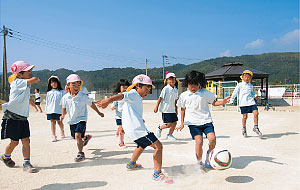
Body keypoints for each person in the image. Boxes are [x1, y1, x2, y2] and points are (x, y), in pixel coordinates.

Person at [97, 74, 173, 184]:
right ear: (137, 86)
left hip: (134, 128)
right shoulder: (133, 93)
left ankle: (131, 163)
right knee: (158, 147)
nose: (147, 92)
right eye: (146, 89)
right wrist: (108, 100)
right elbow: (122, 96)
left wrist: (140, 119)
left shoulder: (137, 97)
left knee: (142, 145)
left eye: (149, 90)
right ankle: (157, 174)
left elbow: (132, 111)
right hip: (136, 129)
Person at [176, 70, 230, 170]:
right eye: (190, 84)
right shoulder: (184, 95)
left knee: (212, 139)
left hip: (206, 121)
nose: (193, 87)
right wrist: (182, 123)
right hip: (193, 123)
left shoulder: (205, 93)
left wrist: (223, 101)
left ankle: (209, 155)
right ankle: (199, 162)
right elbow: (182, 109)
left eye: (195, 85)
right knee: (199, 141)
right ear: (187, 83)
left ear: (199, 84)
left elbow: (214, 102)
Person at [1, 61, 40, 173]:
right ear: (19, 74)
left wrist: (30, 101)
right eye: (28, 71)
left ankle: (26, 163)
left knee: (26, 141)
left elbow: (21, 96)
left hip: (23, 118)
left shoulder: (25, 85)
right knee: (14, 142)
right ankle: (5, 156)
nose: (31, 72)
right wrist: (35, 79)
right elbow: (31, 80)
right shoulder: (16, 82)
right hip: (12, 117)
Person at [60, 74, 104, 162]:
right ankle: (85, 138)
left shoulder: (83, 96)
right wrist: (62, 115)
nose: (76, 87)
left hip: (81, 119)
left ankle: (80, 153)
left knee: (77, 135)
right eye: (74, 85)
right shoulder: (65, 97)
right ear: (68, 85)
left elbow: (91, 104)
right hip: (72, 121)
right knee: (76, 137)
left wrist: (99, 112)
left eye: (78, 85)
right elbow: (64, 107)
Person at [230, 70, 262, 138]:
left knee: (256, 113)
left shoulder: (251, 85)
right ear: (242, 77)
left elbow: (252, 93)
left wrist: (255, 95)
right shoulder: (240, 85)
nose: (247, 78)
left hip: (251, 102)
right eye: (245, 77)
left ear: (250, 78)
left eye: (248, 77)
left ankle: (256, 127)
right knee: (245, 117)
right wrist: (232, 100)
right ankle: (244, 128)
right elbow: (235, 92)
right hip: (243, 103)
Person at [154, 72, 178, 140]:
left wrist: (176, 109)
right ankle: (159, 128)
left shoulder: (175, 90)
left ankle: (169, 135)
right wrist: (156, 107)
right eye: (170, 79)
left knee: (174, 123)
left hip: (172, 109)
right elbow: (160, 98)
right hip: (166, 109)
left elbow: (175, 100)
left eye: (173, 79)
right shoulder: (166, 89)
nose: (172, 80)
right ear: (167, 80)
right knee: (169, 124)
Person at [111, 79, 130, 148]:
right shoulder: (118, 96)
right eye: (123, 87)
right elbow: (113, 102)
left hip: (126, 116)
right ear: (119, 88)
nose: (125, 89)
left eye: (126, 87)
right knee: (122, 129)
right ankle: (121, 143)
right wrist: (113, 106)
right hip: (118, 116)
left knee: (123, 128)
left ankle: (118, 130)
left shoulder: (129, 95)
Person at [46, 76, 65, 142]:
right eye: (51, 83)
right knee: (52, 122)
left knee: (59, 122)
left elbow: (64, 101)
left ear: (58, 83)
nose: (53, 84)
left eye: (55, 82)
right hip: (50, 110)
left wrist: (64, 111)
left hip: (59, 110)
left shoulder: (62, 92)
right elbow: (47, 102)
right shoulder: (49, 92)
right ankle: (53, 135)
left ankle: (62, 130)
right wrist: (46, 110)